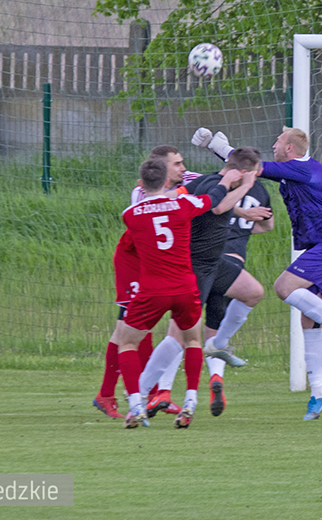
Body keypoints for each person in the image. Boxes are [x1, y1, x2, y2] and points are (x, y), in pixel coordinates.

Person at [193, 127, 322, 421]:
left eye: (278, 142)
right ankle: (319, 393)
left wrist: (216, 145)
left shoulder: (304, 169)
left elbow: (251, 168)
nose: (273, 145)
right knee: (309, 319)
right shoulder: (293, 172)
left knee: (283, 287)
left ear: (290, 149)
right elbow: (249, 170)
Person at [138, 148, 261, 428]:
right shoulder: (216, 187)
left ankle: (217, 345)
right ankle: (142, 393)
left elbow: (178, 196)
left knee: (253, 292)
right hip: (194, 268)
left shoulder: (202, 181)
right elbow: (217, 207)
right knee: (178, 337)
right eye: (254, 173)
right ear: (240, 172)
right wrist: (247, 185)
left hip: (215, 263)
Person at [114, 157, 240, 428]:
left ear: (141, 183)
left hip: (152, 289)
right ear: (166, 180)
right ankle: (191, 402)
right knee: (193, 341)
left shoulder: (131, 214)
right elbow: (212, 198)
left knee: (126, 342)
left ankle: (136, 405)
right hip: (185, 286)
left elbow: (130, 245)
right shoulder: (184, 205)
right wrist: (227, 181)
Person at [93, 145, 199, 419]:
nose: (183, 168)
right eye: (176, 164)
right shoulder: (141, 195)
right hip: (133, 263)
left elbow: (208, 181)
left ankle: (146, 394)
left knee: (134, 329)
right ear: (162, 172)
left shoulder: (182, 181)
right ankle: (116, 395)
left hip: (154, 265)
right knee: (129, 330)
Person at [200, 157, 274, 417]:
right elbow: (268, 225)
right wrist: (244, 228)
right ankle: (215, 380)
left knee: (194, 327)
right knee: (216, 328)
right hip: (232, 268)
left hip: (206, 260)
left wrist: (237, 220)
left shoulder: (214, 184)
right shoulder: (260, 191)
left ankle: (209, 380)